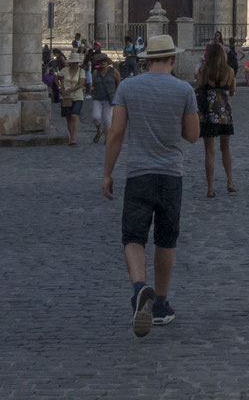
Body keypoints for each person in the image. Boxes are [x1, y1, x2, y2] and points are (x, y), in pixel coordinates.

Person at [103, 41, 199, 337]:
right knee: (165, 239)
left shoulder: (128, 88)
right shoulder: (184, 90)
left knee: (133, 237)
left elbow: (116, 132)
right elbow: (193, 135)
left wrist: (107, 172)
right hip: (171, 175)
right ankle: (160, 302)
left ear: (146, 61)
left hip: (138, 174)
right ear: (172, 59)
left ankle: (138, 288)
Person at [194, 43, 238, 197]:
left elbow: (198, 87)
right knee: (225, 148)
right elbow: (232, 91)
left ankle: (210, 188)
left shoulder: (204, 70)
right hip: (225, 111)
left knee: (209, 151)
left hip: (208, 112)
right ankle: (230, 182)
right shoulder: (230, 71)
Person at [55, 52, 89, 146]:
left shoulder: (81, 71)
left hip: (78, 96)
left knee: (74, 115)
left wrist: (69, 90)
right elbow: (56, 78)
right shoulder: (64, 70)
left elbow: (81, 84)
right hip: (66, 97)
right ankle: (71, 137)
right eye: (72, 63)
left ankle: (74, 137)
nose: (73, 65)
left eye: (75, 63)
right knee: (68, 117)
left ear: (78, 63)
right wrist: (60, 87)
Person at [87, 53, 119, 144]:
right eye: (101, 61)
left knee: (107, 121)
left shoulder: (114, 71)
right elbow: (93, 84)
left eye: (104, 61)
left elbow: (118, 82)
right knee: (95, 117)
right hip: (98, 97)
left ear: (107, 62)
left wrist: (115, 93)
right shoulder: (95, 72)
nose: (102, 62)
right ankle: (99, 130)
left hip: (109, 98)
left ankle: (107, 138)